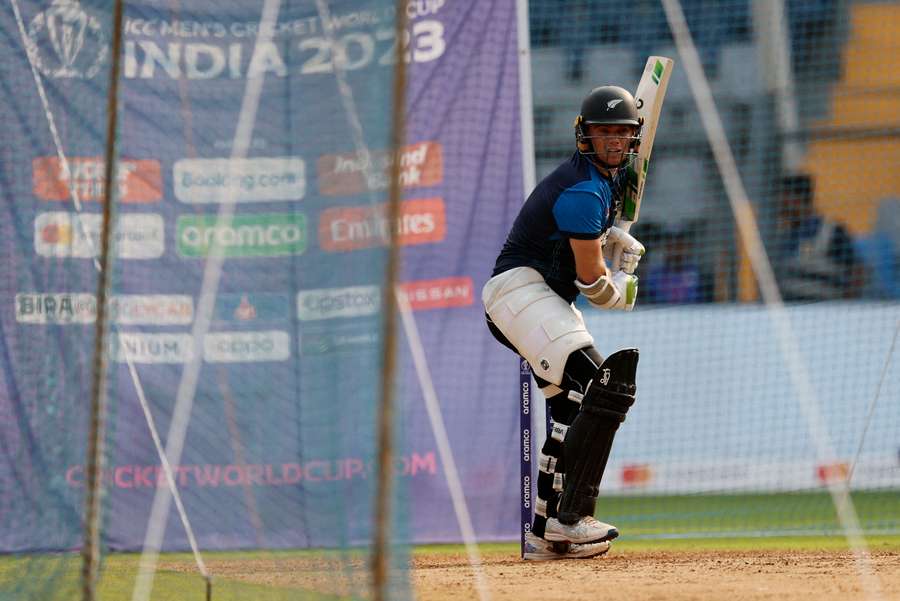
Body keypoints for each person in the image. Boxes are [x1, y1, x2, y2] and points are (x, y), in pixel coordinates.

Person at [482, 86, 646, 560]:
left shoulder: (604, 183)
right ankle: (570, 518)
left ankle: (544, 531)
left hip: (541, 299)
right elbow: (590, 278)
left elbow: (581, 239)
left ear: (634, 138)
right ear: (585, 135)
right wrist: (621, 286)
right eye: (603, 132)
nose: (613, 141)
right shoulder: (586, 189)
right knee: (602, 386)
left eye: (622, 132)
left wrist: (612, 235)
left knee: (572, 410)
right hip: (519, 292)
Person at [773, 173, 865, 301]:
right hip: (788, 312)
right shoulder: (783, 236)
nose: (779, 205)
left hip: (822, 311)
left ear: (796, 199)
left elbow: (856, 271)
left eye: (783, 198)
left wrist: (846, 306)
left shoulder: (832, 232)